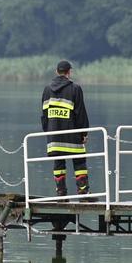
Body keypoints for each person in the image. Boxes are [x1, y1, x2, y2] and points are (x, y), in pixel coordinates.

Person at [41, 60, 90, 196]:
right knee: (79, 162)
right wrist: (83, 133)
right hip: (72, 137)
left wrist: (48, 133)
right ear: (69, 72)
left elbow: (44, 115)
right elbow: (81, 114)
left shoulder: (47, 89)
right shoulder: (75, 88)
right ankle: (83, 193)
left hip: (54, 137)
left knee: (58, 164)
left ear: (57, 72)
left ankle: (61, 194)